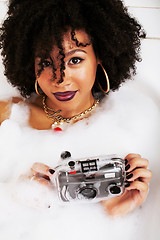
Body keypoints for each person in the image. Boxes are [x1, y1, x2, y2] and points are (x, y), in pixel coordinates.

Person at [0, 0, 152, 216]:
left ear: (100, 57)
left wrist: (114, 212)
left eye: (75, 60)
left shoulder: (131, 123)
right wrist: (15, 194)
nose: (60, 79)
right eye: (45, 63)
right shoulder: (7, 116)